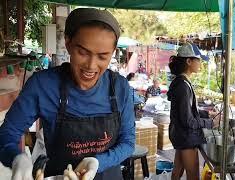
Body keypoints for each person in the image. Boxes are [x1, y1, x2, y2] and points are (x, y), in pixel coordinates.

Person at [0, 8, 135, 180]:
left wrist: (98, 161)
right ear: (68, 43)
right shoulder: (43, 85)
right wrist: (17, 158)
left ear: (113, 52)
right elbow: (7, 134)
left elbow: (128, 142)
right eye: (83, 52)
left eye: (102, 56)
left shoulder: (120, 87)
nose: (91, 66)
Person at [167, 43, 219, 180]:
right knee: (193, 176)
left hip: (180, 134)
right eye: (198, 59)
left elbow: (188, 111)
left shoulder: (182, 82)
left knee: (177, 172)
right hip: (186, 136)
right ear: (189, 61)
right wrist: (210, 123)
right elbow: (187, 120)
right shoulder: (183, 86)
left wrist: (208, 114)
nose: (200, 62)